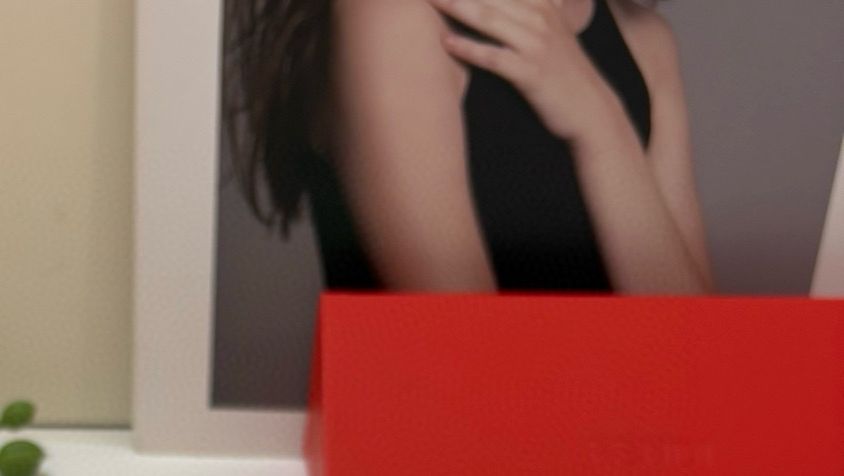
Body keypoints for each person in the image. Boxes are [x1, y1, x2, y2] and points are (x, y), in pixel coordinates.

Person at [223, 0, 713, 293]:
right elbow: (465, 362)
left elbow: (696, 361)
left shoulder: (646, 42)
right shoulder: (393, 16)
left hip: (631, 439)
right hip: (448, 440)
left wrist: (601, 124)